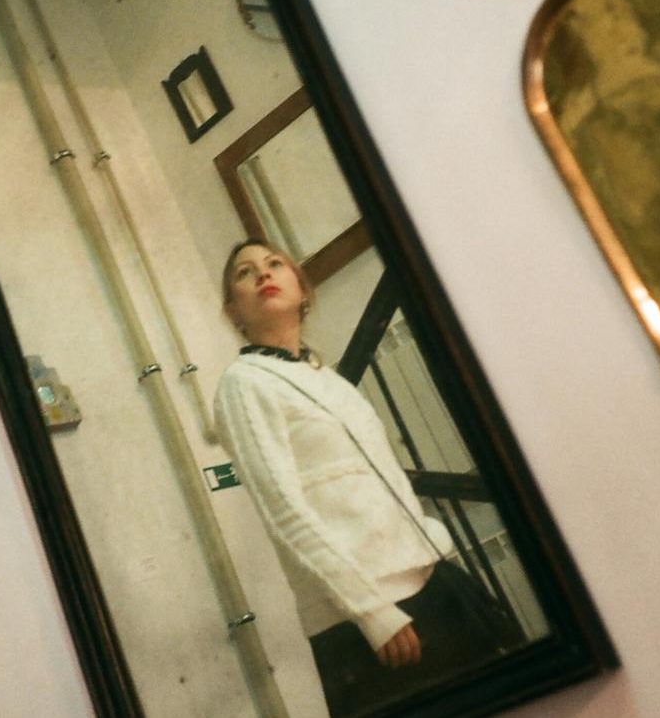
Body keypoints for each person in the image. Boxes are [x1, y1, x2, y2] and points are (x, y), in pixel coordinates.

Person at [211, 239, 516, 716]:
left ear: (302, 289)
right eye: (245, 273)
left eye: (274, 264)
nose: (263, 274)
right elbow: (283, 509)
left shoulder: (324, 378)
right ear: (233, 310)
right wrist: (370, 612)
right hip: (369, 615)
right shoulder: (243, 384)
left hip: (432, 580)